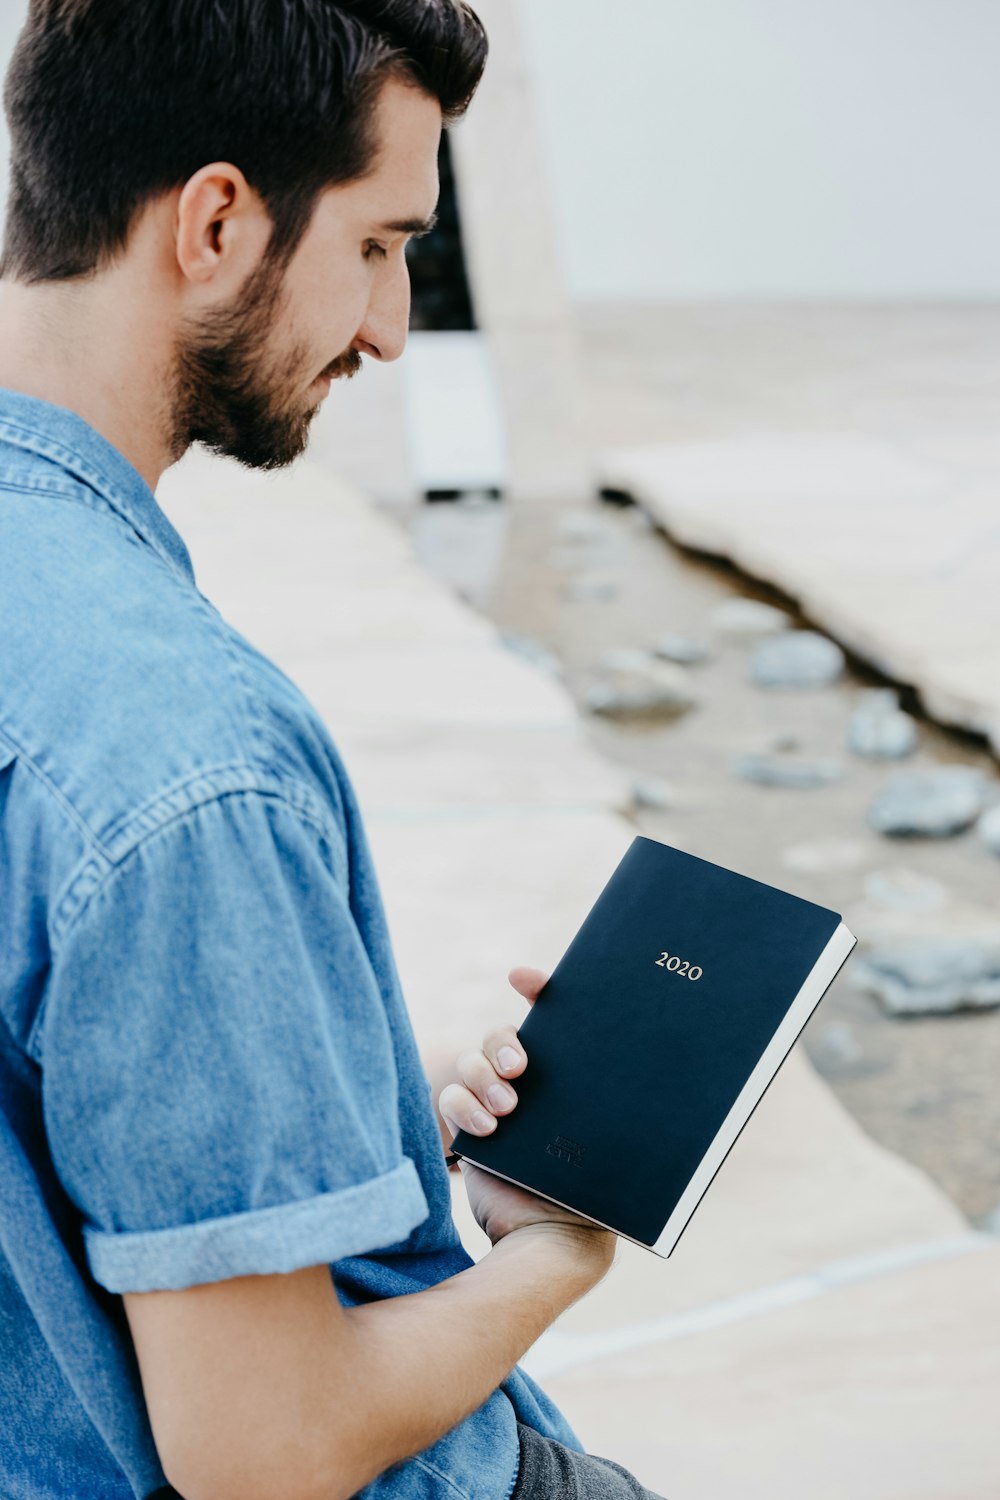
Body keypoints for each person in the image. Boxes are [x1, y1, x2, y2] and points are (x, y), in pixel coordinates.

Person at [0, 3, 667, 1496]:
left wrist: (349, 1093)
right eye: (378, 245)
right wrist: (553, 1254)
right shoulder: (181, 757)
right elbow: (266, 1447)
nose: (385, 325)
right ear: (220, 221)